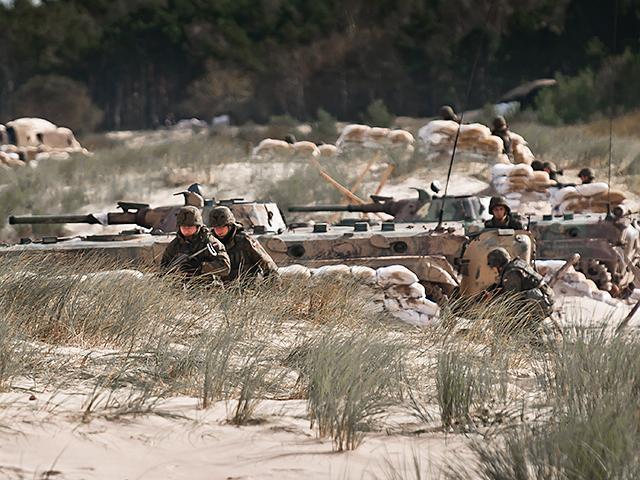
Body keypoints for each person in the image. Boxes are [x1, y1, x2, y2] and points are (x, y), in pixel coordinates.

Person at [209, 206, 278, 283]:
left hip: (249, 287)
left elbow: (266, 263)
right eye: (215, 227)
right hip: (223, 289)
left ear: (230, 225)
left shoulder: (244, 240)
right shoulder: (211, 243)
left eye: (222, 227)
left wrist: (274, 284)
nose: (218, 230)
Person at [161, 206, 230, 282]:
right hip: (181, 289)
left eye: (190, 226)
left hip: (208, 288)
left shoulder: (210, 242)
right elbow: (164, 269)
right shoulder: (174, 245)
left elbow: (225, 268)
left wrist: (200, 267)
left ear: (198, 226)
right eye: (183, 226)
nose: (186, 229)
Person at [487, 248, 555, 324]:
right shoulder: (517, 264)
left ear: (498, 265)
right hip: (543, 300)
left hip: (540, 305)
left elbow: (513, 300)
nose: (494, 271)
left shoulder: (511, 273)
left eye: (493, 268)